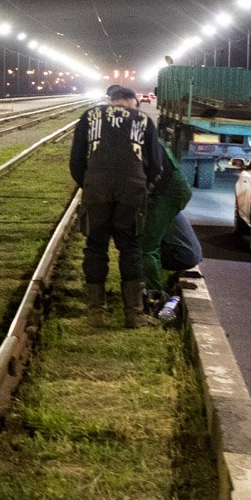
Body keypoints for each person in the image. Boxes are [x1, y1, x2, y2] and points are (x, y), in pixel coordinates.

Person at [70, 87, 164, 328]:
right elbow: (155, 163)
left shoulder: (89, 116)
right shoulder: (143, 120)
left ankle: (96, 314)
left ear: (111, 101)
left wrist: (88, 183)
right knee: (131, 248)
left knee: (95, 247)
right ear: (132, 101)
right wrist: (143, 185)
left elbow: (76, 160)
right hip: (131, 190)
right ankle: (134, 314)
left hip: (97, 188)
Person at [137, 139, 193, 299]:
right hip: (170, 190)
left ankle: (154, 296)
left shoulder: (133, 137)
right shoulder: (142, 130)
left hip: (166, 193)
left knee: (146, 246)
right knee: (149, 239)